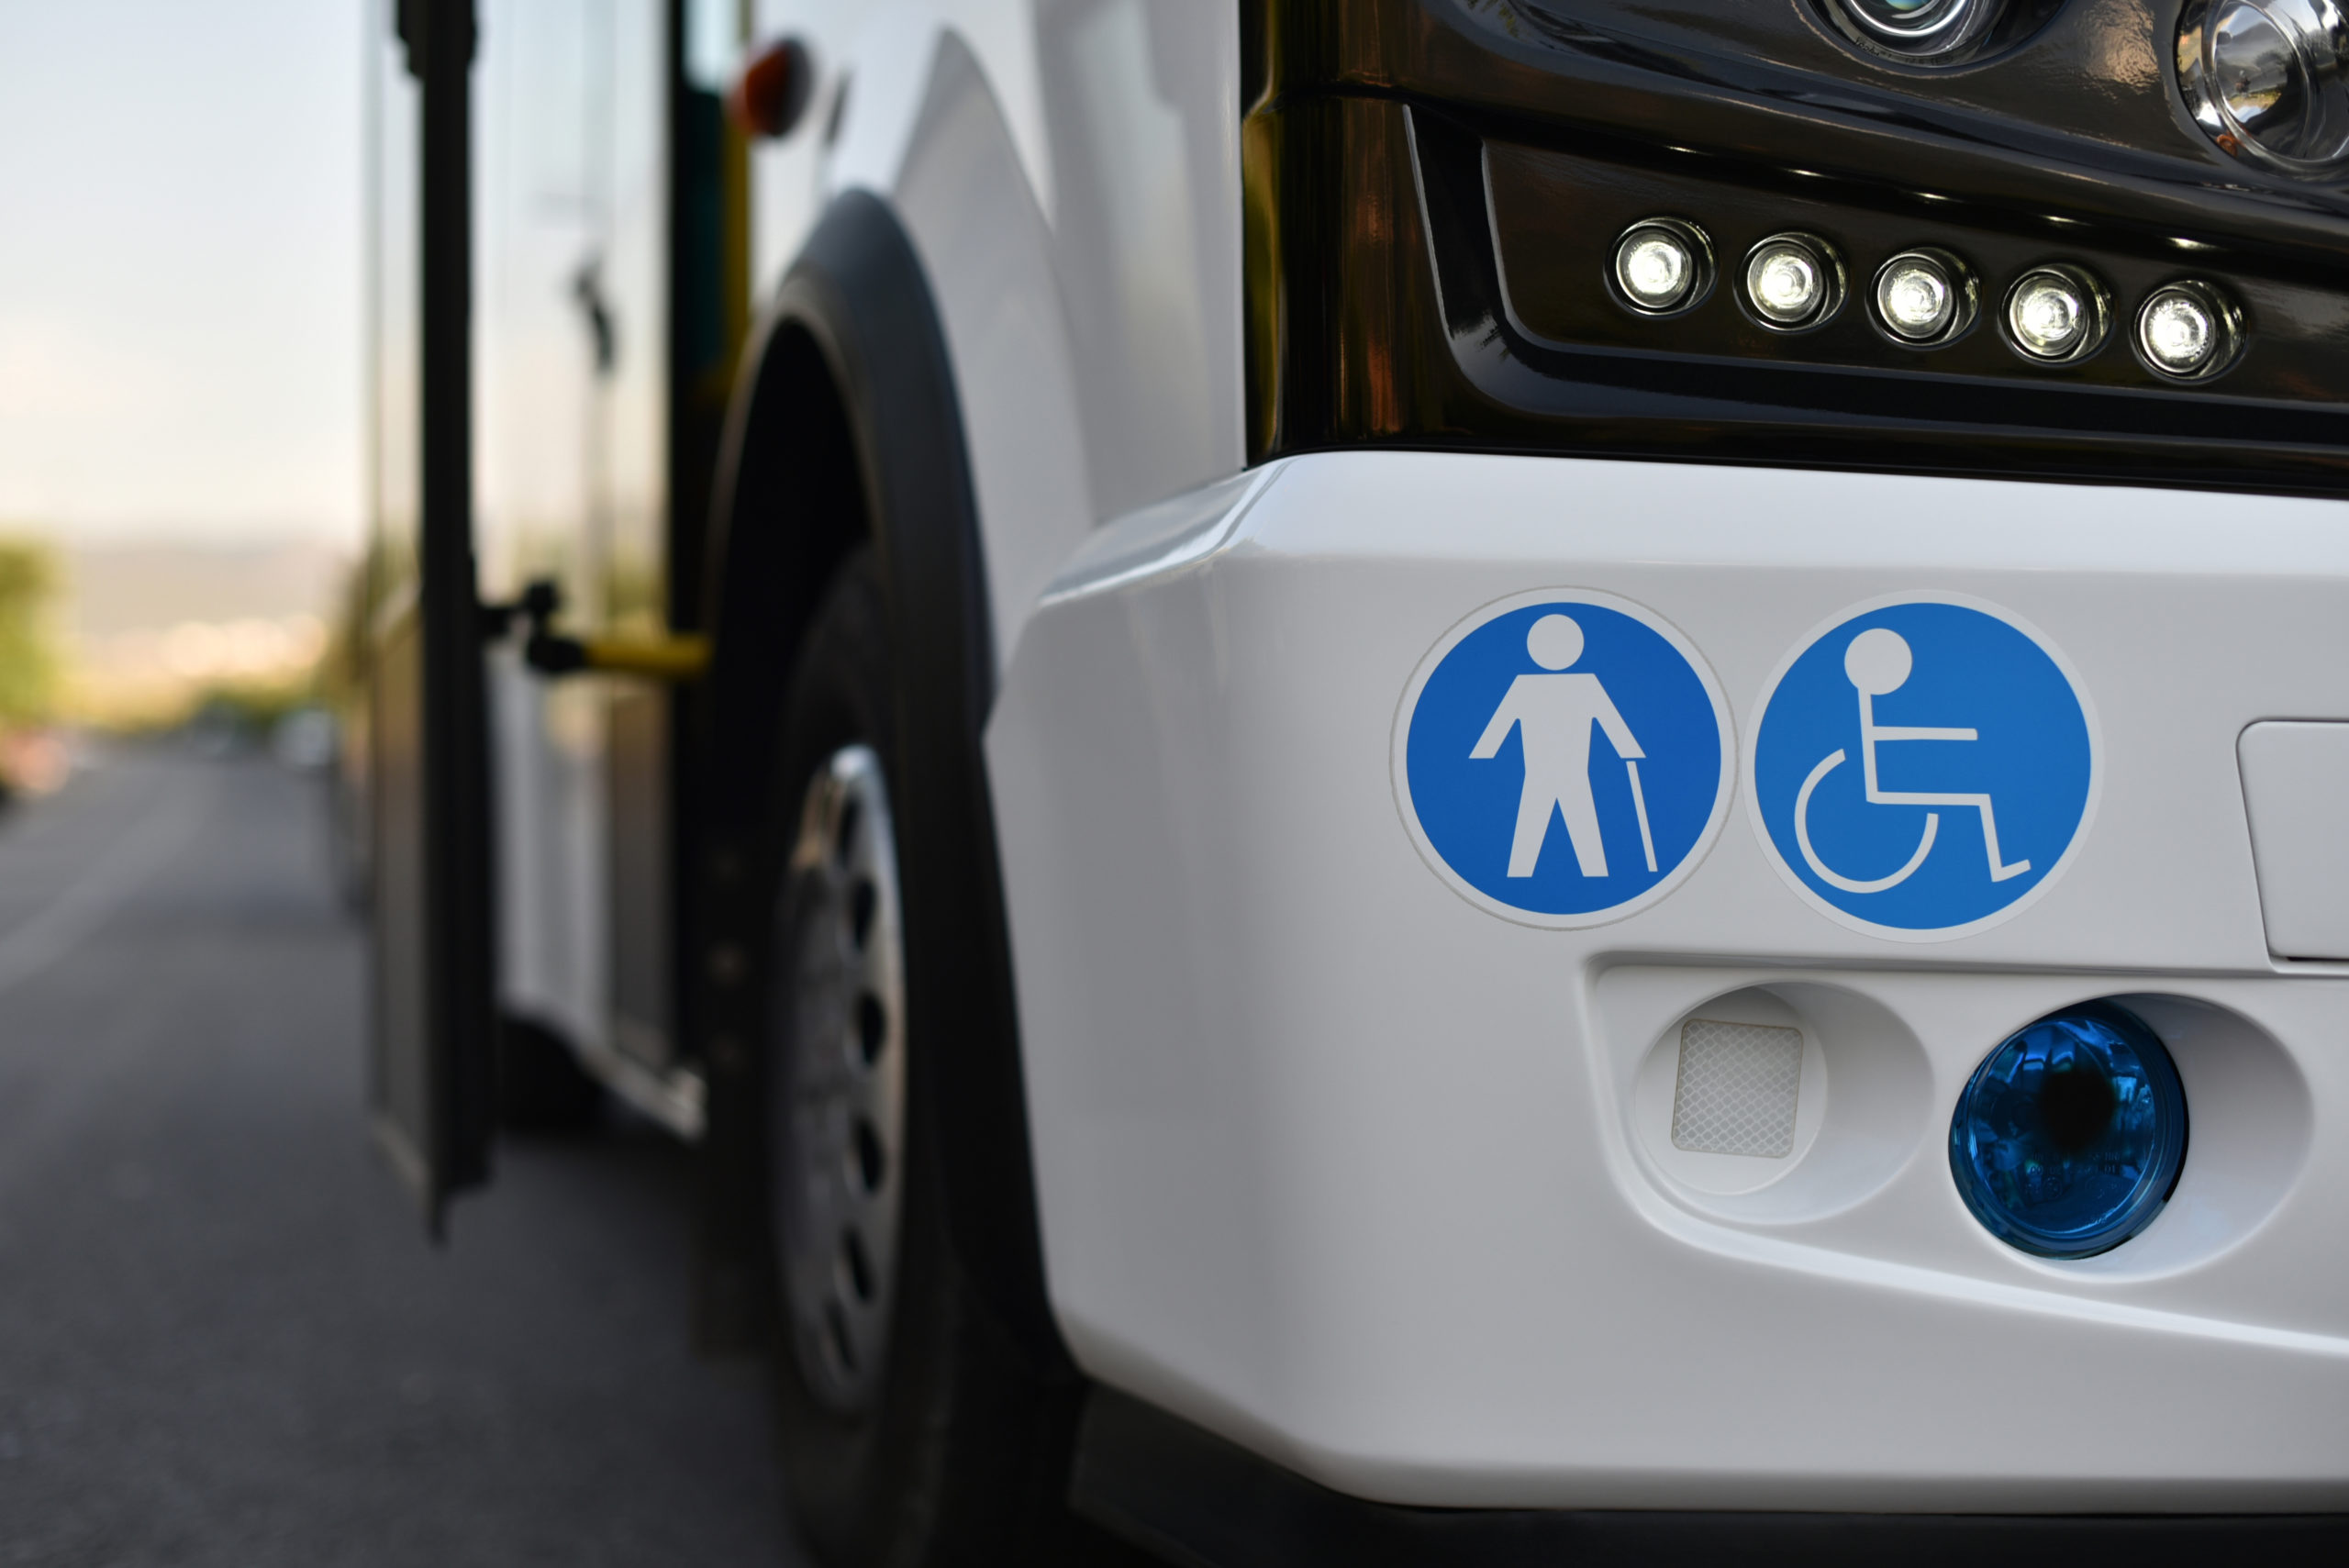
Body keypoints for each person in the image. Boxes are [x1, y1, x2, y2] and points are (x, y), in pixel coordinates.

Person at [1472, 614, 1643, 878]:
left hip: (1567, 775)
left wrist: (1628, 749)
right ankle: (1532, 877)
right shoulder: (1562, 685)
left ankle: (1588, 875)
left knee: (1576, 832)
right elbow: (1495, 732)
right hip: (1545, 775)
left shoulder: (1570, 685)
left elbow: (1612, 724)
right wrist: (1627, 750)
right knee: (1535, 834)